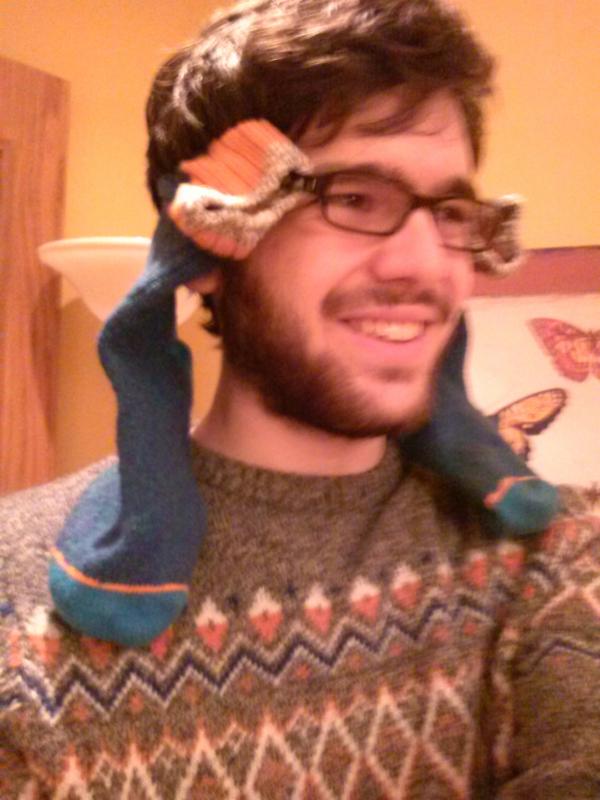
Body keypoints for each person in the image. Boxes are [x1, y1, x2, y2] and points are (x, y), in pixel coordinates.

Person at [1, 0, 598, 796]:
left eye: (451, 213)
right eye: (354, 198)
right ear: (208, 239)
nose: (427, 267)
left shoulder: (548, 554)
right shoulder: (16, 604)